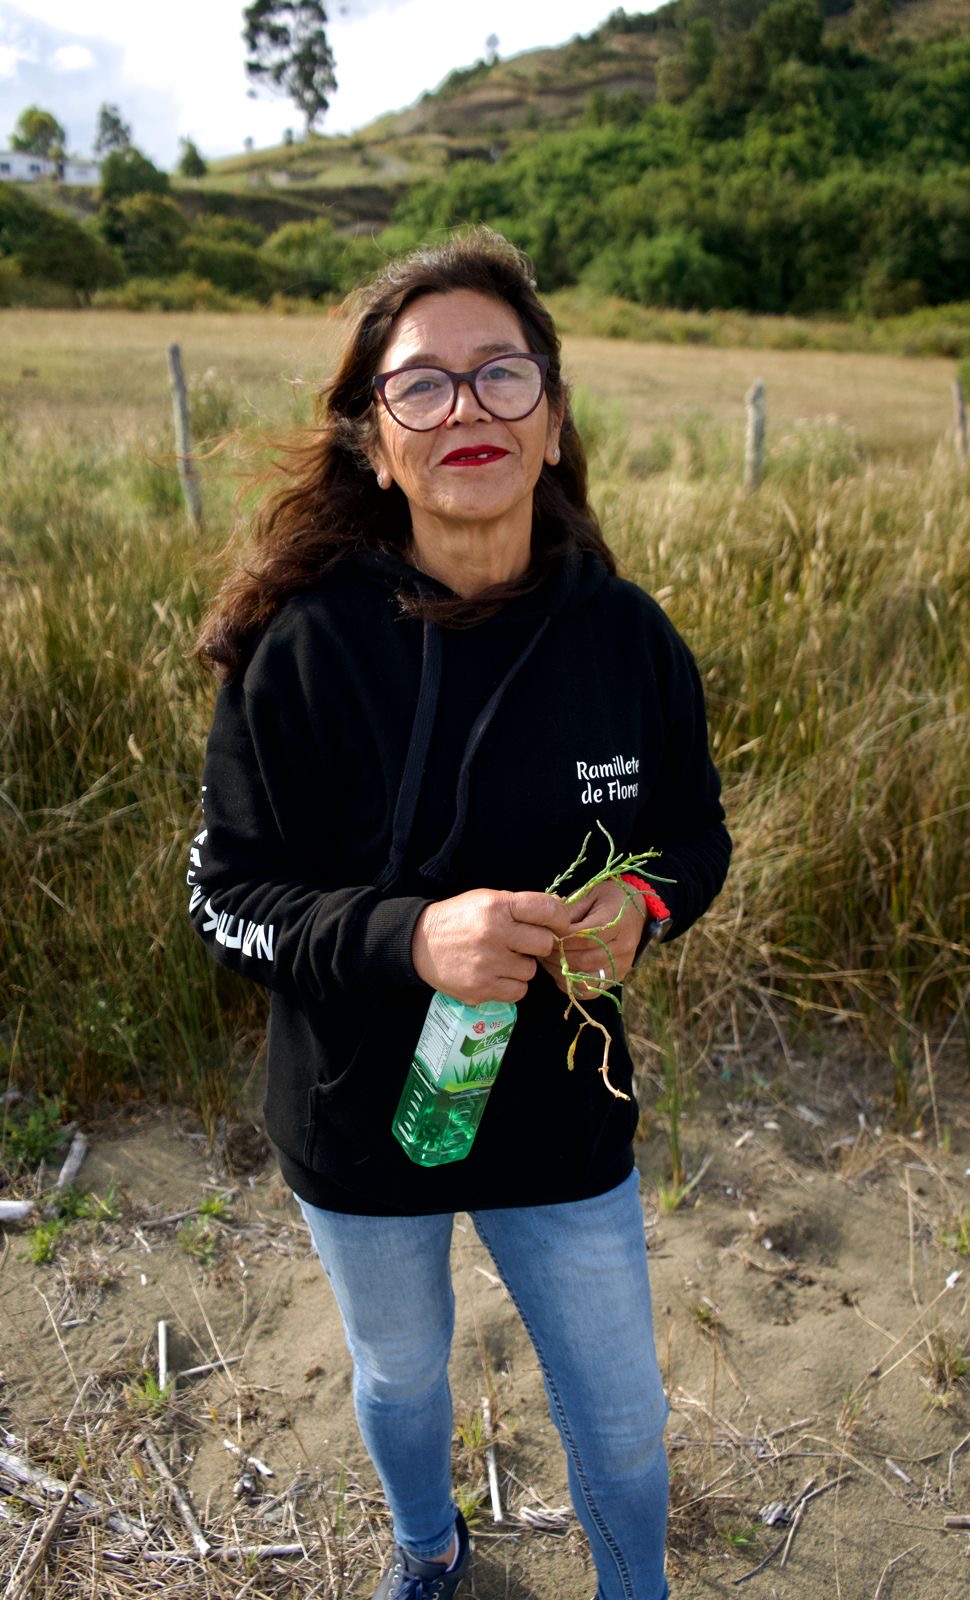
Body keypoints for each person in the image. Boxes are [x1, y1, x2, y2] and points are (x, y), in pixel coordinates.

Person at [188, 228, 731, 1600]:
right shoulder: (300, 653)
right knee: (401, 1375)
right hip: (363, 1116)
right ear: (379, 446)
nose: (467, 411)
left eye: (503, 377)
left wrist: (643, 903)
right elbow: (226, 902)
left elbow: (696, 840)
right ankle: (430, 1551)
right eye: (421, 387)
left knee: (620, 1416)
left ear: (550, 422)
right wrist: (411, 940)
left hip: (560, 1106)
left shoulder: (630, 641)